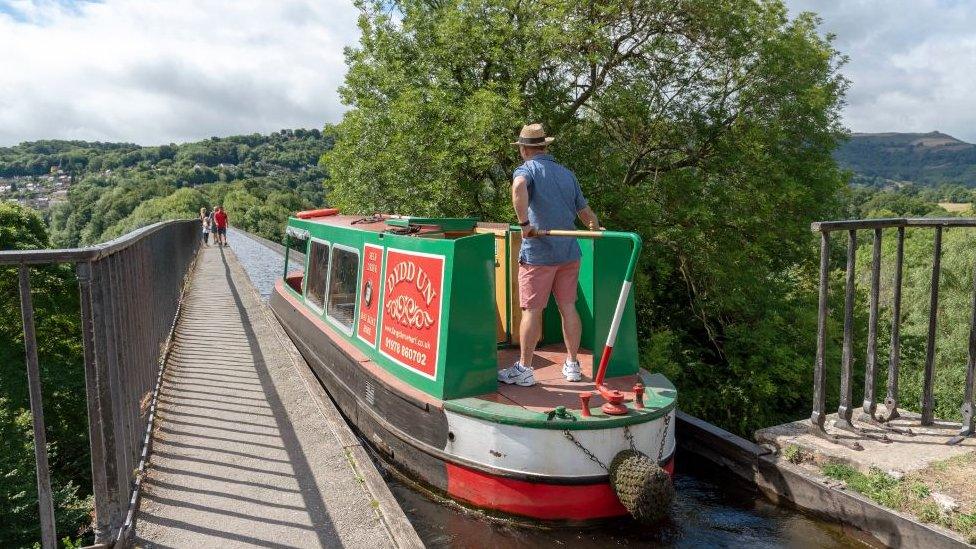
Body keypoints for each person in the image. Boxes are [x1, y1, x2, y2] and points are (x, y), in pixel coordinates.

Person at [498, 123, 601, 387]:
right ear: (545, 146)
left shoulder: (526, 170)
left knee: (531, 311)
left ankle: (525, 368)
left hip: (539, 253)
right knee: (568, 307)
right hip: (568, 252)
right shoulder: (567, 174)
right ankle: (573, 364)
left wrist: (524, 225)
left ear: (523, 149)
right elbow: (586, 213)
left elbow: (518, 187)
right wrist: (595, 228)